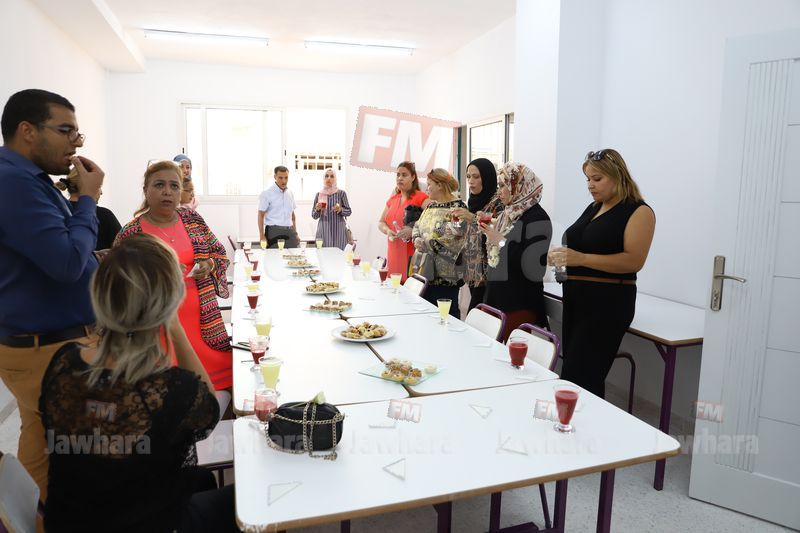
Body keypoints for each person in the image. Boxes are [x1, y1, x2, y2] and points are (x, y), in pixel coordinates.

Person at [40, 233, 237, 532]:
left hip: (71, 522)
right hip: (145, 523)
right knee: (245, 502)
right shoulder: (168, 390)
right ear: (169, 303)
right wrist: (174, 327)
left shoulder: (64, 363)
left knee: (202, 479)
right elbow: (208, 413)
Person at [0, 88, 104, 499]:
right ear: (27, 130)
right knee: (83, 455)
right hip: (49, 350)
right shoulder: (13, 182)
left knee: (41, 443)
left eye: (77, 133)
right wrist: (87, 200)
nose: (75, 143)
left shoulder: (29, 180)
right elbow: (65, 263)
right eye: (66, 131)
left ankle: (33, 519)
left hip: (42, 345)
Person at [115, 161, 233, 401]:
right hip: (158, 332)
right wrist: (156, 278)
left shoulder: (192, 219)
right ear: (146, 190)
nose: (167, 192)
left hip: (204, 326)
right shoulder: (132, 233)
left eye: (174, 186)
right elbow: (118, 286)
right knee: (175, 397)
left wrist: (209, 265)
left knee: (224, 388)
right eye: (159, 185)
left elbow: (220, 254)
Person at [550, 149, 655, 398]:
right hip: (577, 301)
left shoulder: (639, 211)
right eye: (588, 179)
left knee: (580, 377)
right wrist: (561, 257)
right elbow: (581, 245)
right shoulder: (594, 207)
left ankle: (581, 419)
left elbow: (634, 261)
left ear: (618, 176)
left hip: (606, 304)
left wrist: (581, 258)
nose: (590, 185)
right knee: (577, 375)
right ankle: (582, 418)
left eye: (597, 179)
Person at [480, 162, 552, 340]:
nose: (499, 191)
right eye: (499, 186)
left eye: (503, 186)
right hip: (496, 298)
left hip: (518, 303)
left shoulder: (538, 218)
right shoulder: (508, 214)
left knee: (508, 355)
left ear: (519, 186)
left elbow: (534, 268)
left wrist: (500, 241)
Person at [411, 169, 466, 317]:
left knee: (446, 319)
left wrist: (426, 242)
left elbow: (452, 240)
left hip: (445, 279)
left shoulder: (458, 208)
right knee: (426, 318)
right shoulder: (431, 206)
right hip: (424, 274)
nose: (427, 188)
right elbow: (417, 226)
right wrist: (416, 238)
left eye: (429, 184)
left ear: (440, 185)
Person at [451, 158, 501, 311]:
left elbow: (498, 232)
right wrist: (455, 227)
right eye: (468, 176)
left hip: (489, 273)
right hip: (473, 272)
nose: (471, 181)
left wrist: (472, 218)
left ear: (487, 178)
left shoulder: (498, 203)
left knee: (477, 316)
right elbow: (468, 234)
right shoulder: (472, 202)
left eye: (476, 177)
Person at [378, 161, 429, 281]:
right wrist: (387, 231)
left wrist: (413, 230)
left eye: (404, 175)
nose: (400, 178)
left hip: (413, 255)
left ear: (413, 177)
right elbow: (381, 222)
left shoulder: (421, 197)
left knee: (409, 287)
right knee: (394, 287)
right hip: (393, 253)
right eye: (398, 175)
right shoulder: (393, 199)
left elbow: (433, 221)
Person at [56, 168, 122, 250]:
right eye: (99, 187)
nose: (101, 192)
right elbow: (123, 248)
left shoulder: (56, 213)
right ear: (89, 186)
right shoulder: (104, 215)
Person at [258, 165, 299, 248]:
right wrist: (261, 236)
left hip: (290, 232)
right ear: (275, 177)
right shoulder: (266, 194)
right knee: (274, 256)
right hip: (273, 232)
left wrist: (295, 233)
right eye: (280, 178)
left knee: (294, 255)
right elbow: (260, 215)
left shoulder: (290, 193)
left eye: (286, 177)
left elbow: (293, 216)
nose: (284, 181)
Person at [311, 167, 352, 249]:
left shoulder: (341, 194)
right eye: (326, 176)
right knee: (323, 253)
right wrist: (318, 209)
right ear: (323, 178)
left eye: (332, 176)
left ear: (335, 178)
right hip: (324, 229)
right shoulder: (319, 194)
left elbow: (349, 211)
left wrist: (340, 209)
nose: (329, 178)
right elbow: (314, 216)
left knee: (339, 253)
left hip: (338, 229)